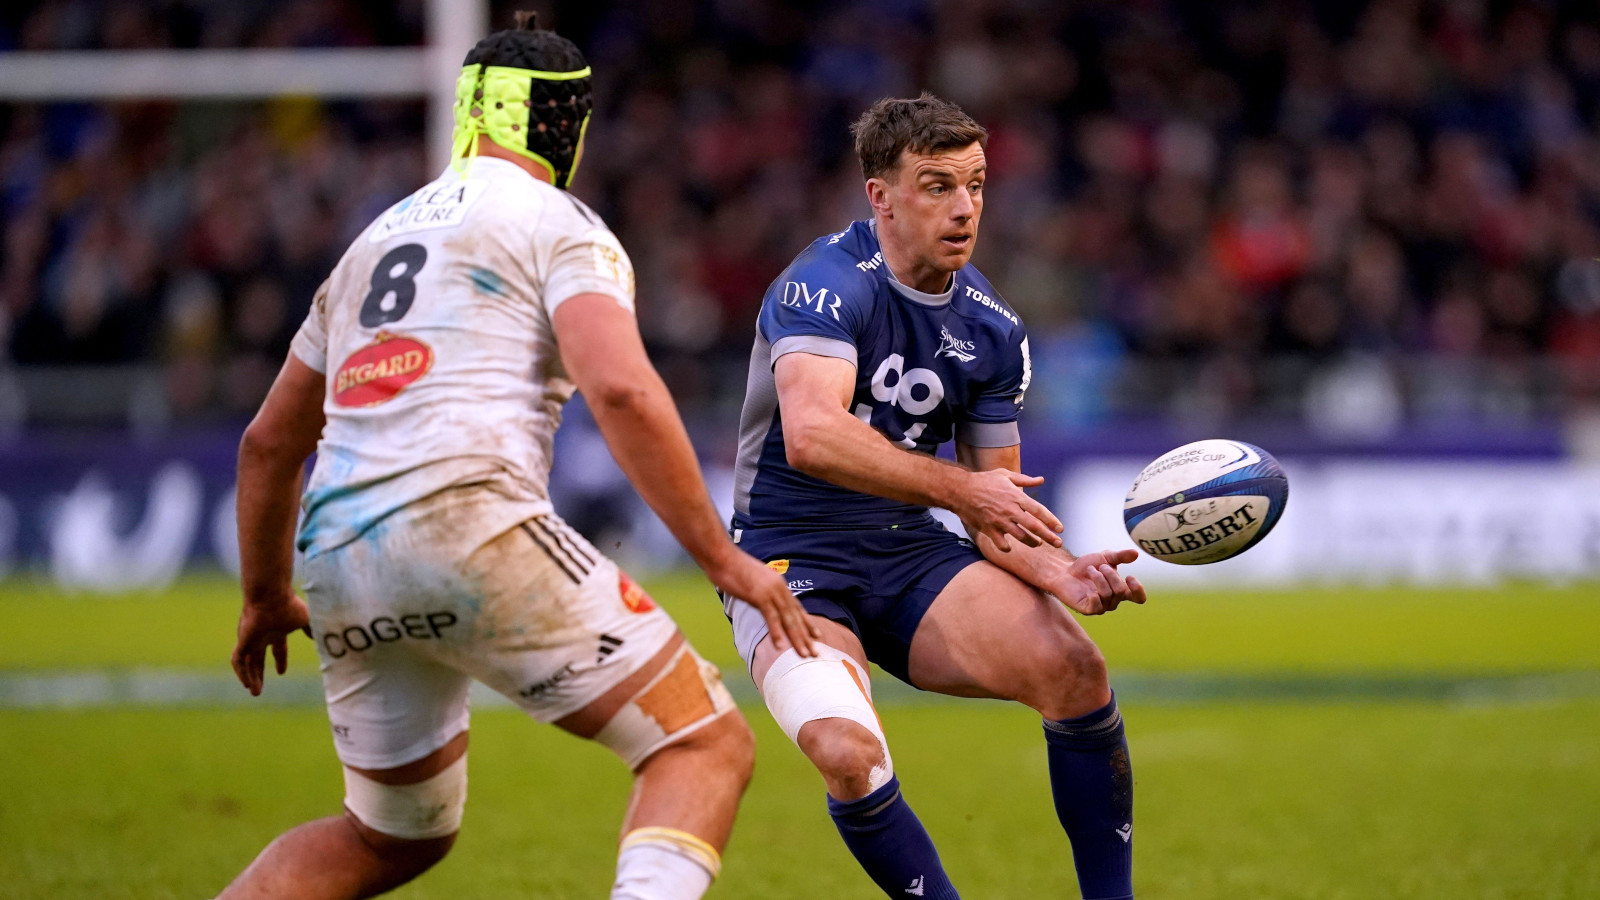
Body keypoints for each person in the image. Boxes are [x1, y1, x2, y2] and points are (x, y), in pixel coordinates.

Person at [219, 15, 817, 900]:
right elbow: (619, 390)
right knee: (701, 744)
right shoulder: (561, 224)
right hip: (471, 523)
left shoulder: (369, 242)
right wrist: (724, 559)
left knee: (388, 835)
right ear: (564, 126)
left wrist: (266, 594)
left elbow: (270, 443)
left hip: (340, 554)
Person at [723, 92, 1147, 900]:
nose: (964, 208)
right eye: (937, 185)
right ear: (881, 196)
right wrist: (962, 490)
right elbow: (813, 435)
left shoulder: (993, 330)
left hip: (909, 552)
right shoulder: (822, 284)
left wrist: (1055, 571)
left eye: (977, 185)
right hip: (787, 559)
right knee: (849, 755)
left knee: (1073, 667)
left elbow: (998, 506)